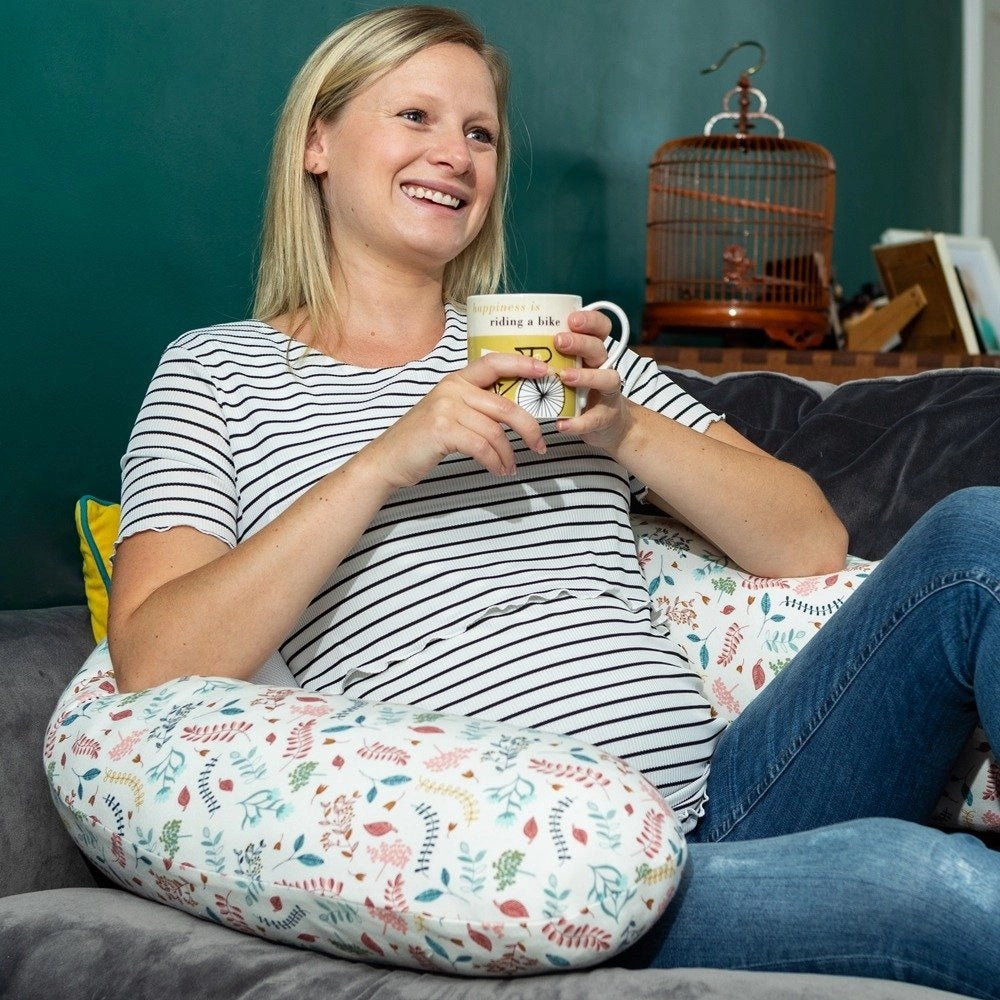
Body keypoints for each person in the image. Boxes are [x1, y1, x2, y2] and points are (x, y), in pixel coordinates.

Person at [104, 6, 1000, 996]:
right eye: (415, 116)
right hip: (538, 883)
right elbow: (155, 661)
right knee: (933, 884)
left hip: (731, 800)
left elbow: (807, 537)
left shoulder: (570, 360)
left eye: (478, 133)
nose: (453, 155)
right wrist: (384, 460)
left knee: (976, 534)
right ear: (318, 141)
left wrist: (622, 426)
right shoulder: (217, 375)